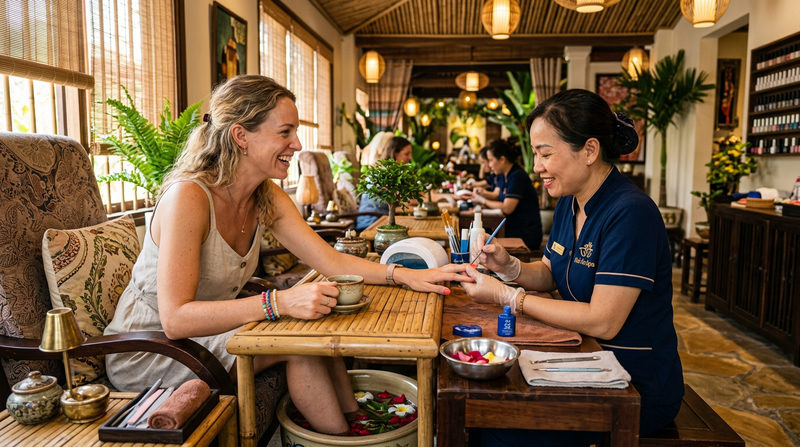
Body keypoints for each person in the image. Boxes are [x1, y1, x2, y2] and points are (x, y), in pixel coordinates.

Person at [104, 75, 470, 436]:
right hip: (155, 350)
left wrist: (406, 275)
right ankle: (344, 439)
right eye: (285, 131)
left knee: (313, 331)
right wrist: (278, 302)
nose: (297, 144)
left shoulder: (264, 195)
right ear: (241, 136)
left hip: (210, 332)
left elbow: (331, 261)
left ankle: (360, 427)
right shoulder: (190, 197)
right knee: (301, 347)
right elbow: (176, 320)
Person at [462, 89, 683, 446]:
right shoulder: (570, 201)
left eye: (545, 154)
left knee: (494, 427)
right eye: (536, 155)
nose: (537, 167)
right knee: (482, 396)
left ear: (590, 151)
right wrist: (509, 266)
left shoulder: (630, 213)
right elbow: (550, 271)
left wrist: (508, 296)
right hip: (584, 357)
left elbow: (603, 320)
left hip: (631, 383)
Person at [468, 139, 542, 251]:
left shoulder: (517, 176)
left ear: (502, 159)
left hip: (524, 234)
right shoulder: (507, 175)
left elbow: (507, 208)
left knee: (479, 240)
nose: (489, 165)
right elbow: (499, 199)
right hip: (511, 228)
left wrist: (483, 201)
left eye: (491, 160)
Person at [355, 136, 413, 231]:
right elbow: (406, 200)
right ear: (395, 153)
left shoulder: (393, 173)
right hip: (371, 222)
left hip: (383, 219)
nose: (410, 157)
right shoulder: (383, 174)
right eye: (407, 154)